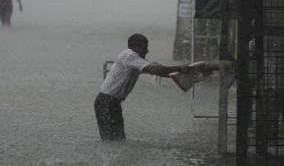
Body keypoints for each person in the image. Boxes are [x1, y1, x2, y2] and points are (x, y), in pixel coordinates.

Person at [94, 33, 235, 141]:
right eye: (144, 47)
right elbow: (154, 70)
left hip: (111, 103)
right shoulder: (129, 55)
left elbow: (161, 72)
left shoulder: (136, 60)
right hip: (106, 102)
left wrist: (187, 72)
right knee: (110, 141)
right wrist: (179, 68)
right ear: (135, 47)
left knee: (118, 139)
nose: (147, 50)